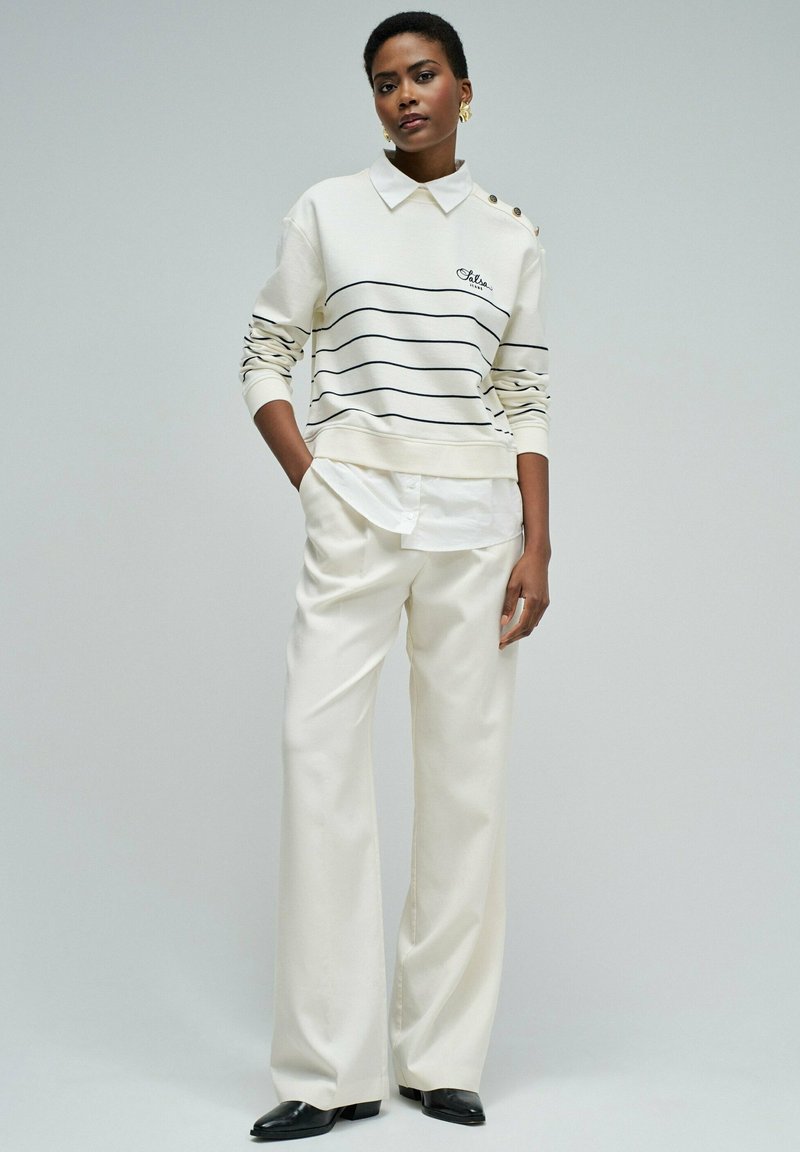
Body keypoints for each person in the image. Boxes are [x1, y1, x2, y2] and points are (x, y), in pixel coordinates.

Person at [239, 10, 552, 1141]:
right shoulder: (326, 210)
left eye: (422, 75)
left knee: (464, 784)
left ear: (464, 89)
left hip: (476, 527)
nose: (403, 95)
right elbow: (265, 350)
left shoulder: (510, 234)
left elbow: (523, 392)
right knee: (317, 757)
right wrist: (313, 477)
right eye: (383, 82)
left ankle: (441, 1056)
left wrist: (537, 542)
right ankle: (327, 1070)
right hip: (357, 512)